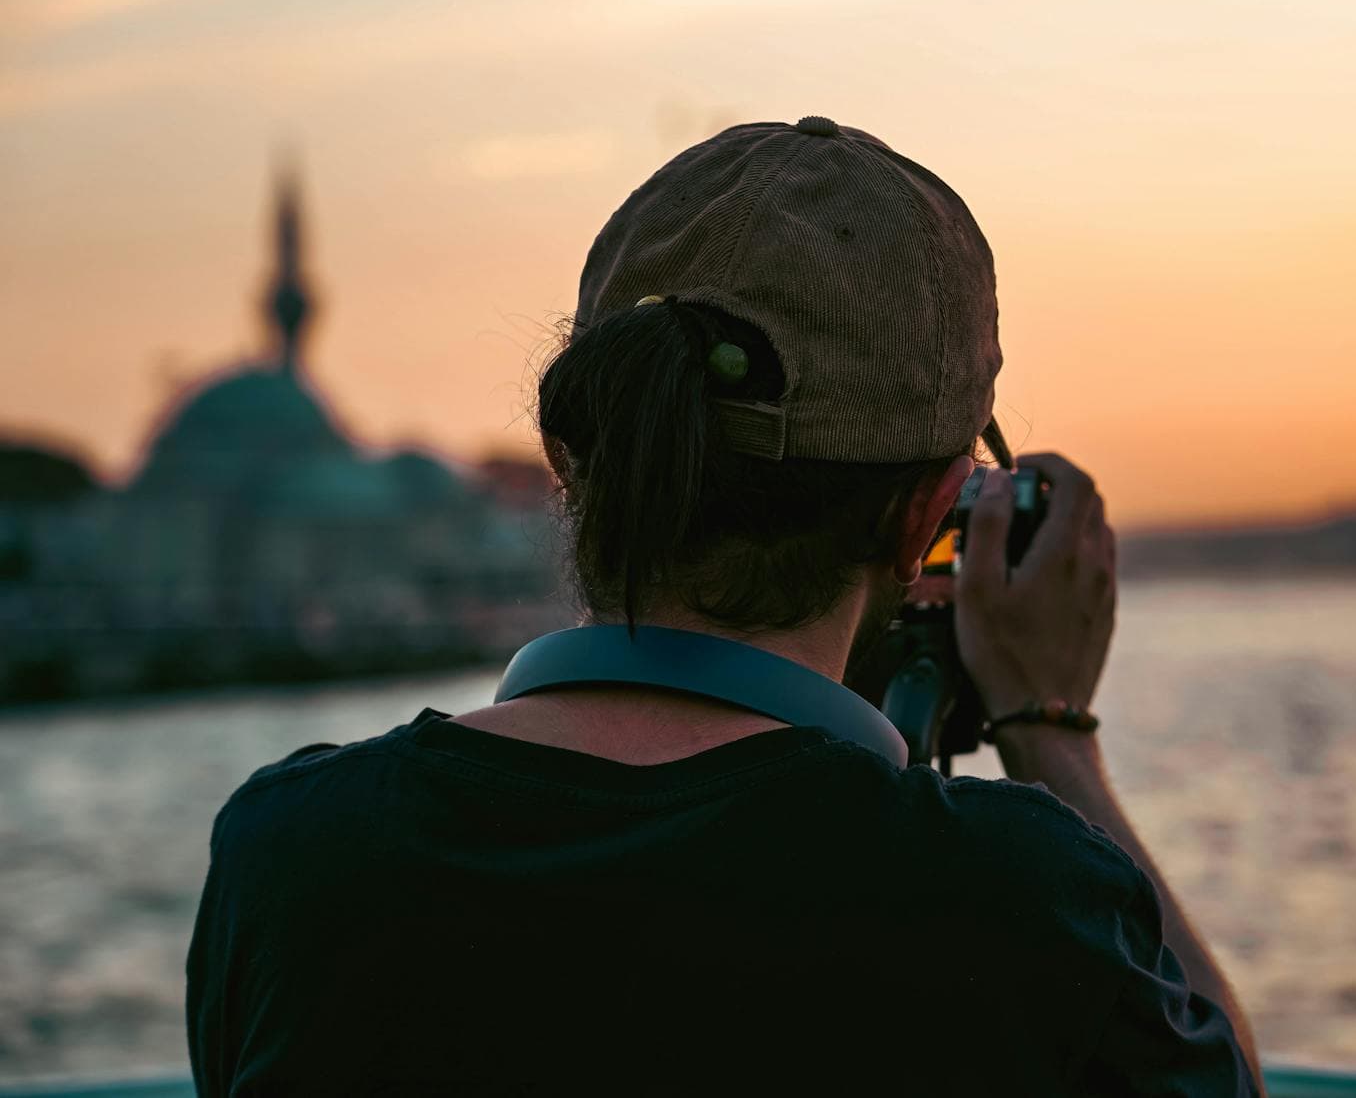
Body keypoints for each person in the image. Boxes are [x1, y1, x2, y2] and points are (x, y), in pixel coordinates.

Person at [186, 117, 1263, 1095]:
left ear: (568, 462)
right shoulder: (1021, 903)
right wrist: (1046, 727)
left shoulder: (290, 855)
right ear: (924, 513)